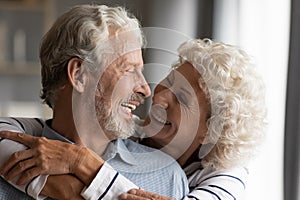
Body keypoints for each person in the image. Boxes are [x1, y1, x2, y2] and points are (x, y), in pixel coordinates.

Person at [1, 38, 267, 200]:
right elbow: (9, 131)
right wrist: (56, 185)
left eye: (182, 100)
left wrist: (81, 161)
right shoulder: (129, 132)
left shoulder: (226, 177)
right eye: (170, 81)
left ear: (210, 131)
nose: (159, 99)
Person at [0, 4, 189, 200]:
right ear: (79, 74)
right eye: (130, 70)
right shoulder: (6, 170)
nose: (145, 89)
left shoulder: (168, 177)